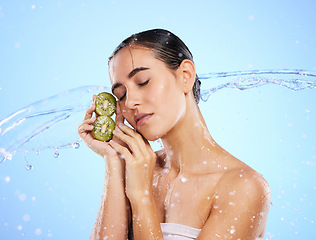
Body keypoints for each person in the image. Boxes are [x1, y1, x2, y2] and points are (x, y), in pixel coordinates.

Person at [78, 29, 271, 240]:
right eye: (121, 95)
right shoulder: (136, 167)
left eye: (142, 82)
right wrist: (113, 159)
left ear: (186, 76)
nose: (130, 102)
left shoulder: (243, 187)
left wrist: (142, 197)